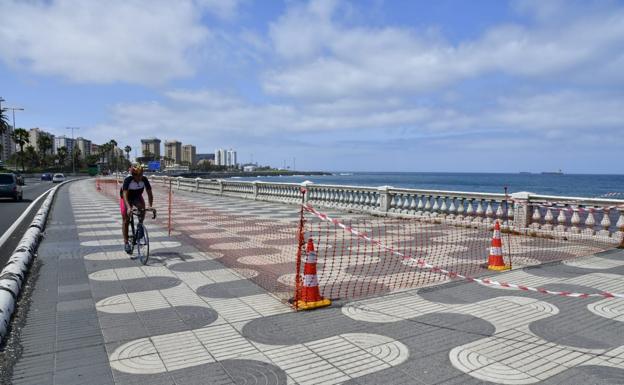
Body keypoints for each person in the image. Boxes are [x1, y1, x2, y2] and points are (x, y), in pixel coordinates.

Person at [120, 163, 154, 254]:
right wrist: (128, 207)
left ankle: (140, 225)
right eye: (136, 175)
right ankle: (126, 242)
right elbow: (125, 195)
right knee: (126, 219)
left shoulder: (144, 180)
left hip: (137, 196)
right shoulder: (128, 180)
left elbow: (149, 193)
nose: (139, 177)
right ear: (132, 174)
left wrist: (150, 205)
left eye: (140, 175)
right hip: (126, 197)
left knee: (142, 207)